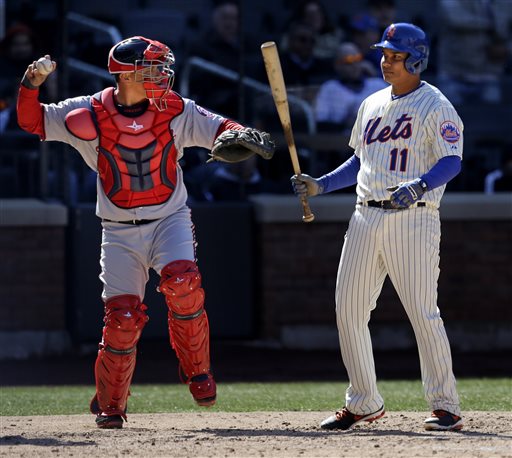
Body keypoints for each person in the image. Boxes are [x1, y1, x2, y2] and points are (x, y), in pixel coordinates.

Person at [17, 36, 274, 429]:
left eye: (161, 66)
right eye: (152, 67)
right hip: (118, 230)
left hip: (169, 218)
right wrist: (31, 84)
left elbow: (220, 126)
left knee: (183, 284)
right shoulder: (86, 112)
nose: (161, 74)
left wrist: (240, 133)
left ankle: (198, 372)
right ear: (127, 72)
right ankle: (111, 404)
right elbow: (31, 120)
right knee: (122, 318)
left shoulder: (173, 108)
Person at [291, 23, 464, 431]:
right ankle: (364, 401)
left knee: (423, 313)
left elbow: (452, 160)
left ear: (416, 59)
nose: (386, 61)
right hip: (365, 215)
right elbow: (359, 162)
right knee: (348, 310)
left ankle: (446, 406)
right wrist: (321, 185)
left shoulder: (436, 105)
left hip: (413, 216)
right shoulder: (371, 103)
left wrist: (421, 183)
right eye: (384, 54)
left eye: (395, 55)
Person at [314, 41, 387, 133]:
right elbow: (321, 124)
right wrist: (346, 124)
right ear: (337, 65)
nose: (354, 65)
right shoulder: (329, 88)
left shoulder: (378, 85)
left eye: (357, 59)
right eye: (349, 61)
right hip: (340, 143)